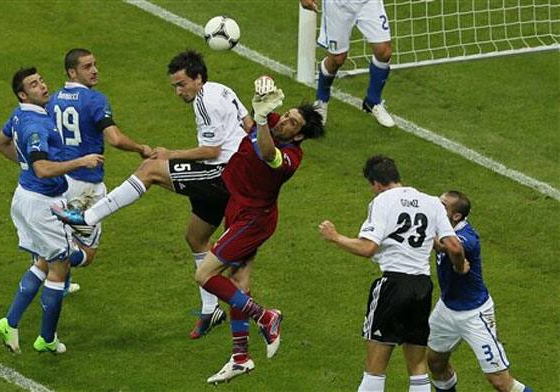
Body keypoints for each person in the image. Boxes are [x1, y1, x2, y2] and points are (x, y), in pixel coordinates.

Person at [52, 50, 254, 338]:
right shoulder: (223, 90)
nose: (177, 91)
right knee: (195, 238)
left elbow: (211, 152)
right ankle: (211, 310)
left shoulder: (204, 102)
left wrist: (171, 153)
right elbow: (249, 126)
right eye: (174, 86)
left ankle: (88, 217)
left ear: (198, 78)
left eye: (181, 84)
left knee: (150, 170)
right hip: (234, 174)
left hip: (221, 175)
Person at [194, 76, 325, 384]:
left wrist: (263, 118)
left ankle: (266, 317)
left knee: (204, 275)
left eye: (293, 123)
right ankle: (241, 357)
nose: (286, 121)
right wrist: (260, 90)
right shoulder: (276, 122)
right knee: (238, 284)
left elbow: (267, 152)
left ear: (300, 136)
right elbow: (253, 117)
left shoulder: (291, 157)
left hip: (253, 220)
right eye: (288, 115)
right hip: (237, 208)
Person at [318, 155, 466, 392]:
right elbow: (455, 247)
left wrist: (336, 237)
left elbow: (368, 248)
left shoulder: (382, 201)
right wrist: (460, 267)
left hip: (393, 286)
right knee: (417, 366)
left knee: (375, 366)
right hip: (422, 287)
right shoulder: (431, 202)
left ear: (376, 183)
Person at [0, 67, 104, 353]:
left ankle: (11, 322)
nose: (42, 86)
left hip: (28, 197)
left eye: (41, 80)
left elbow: (0, 142)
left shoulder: (21, 113)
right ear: (22, 94)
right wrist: (81, 162)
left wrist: (25, 167)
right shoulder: (35, 126)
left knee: (46, 261)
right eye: (34, 84)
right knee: (63, 264)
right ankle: (46, 339)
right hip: (41, 205)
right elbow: (42, 168)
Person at [48, 48, 152, 294]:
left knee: (66, 239)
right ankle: (45, 269)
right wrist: (141, 148)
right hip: (86, 182)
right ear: (72, 72)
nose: (94, 70)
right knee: (87, 252)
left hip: (61, 177)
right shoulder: (95, 100)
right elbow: (114, 139)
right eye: (87, 67)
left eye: (94, 64)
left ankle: (55, 278)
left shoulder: (52, 98)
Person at [426, 191, 532, 392]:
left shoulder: (468, 238)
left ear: (456, 216)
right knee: (436, 363)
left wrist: (458, 266)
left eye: (443, 206)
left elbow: (452, 248)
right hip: (446, 309)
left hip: (475, 314)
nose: (437, 209)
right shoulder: (441, 226)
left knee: (501, 382)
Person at [300, 0, 395, 127]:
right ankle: (322, 99)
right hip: (338, 5)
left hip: (368, 3)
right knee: (337, 59)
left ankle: (373, 101)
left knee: (384, 52)